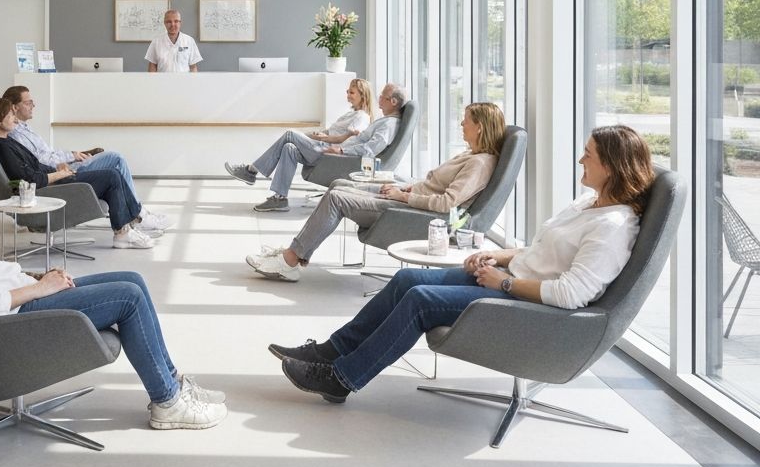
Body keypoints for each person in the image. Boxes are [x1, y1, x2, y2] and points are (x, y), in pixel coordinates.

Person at [271, 125, 654, 404]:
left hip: (530, 304)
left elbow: (571, 294)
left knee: (420, 300)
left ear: (611, 166)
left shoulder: (613, 226)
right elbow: (542, 251)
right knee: (406, 279)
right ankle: (331, 351)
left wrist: (503, 283)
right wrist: (498, 257)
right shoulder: (588, 204)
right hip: (510, 278)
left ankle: (341, 378)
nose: (581, 159)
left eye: (589, 154)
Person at [0, 123, 226, 429]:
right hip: (7, 319)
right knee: (129, 298)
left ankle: (173, 382)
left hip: (21, 295)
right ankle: (167, 402)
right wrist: (39, 289)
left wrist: (36, 275)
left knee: (133, 279)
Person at [246, 102, 506, 281]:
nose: (461, 123)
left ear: (480, 127)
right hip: (409, 199)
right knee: (339, 185)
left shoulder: (480, 164)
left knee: (336, 198)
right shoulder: (470, 155)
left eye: (466, 120)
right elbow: (435, 186)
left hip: (414, 212)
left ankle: (290, 261)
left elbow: (447, 203)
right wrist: (406, 187)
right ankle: (297, 252)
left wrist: (404, 196)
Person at [0, 97, 156, 249]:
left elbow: (35, 167)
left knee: (112, 175)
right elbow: (30, 179)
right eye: (10, 115)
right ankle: (125, 229)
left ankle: (125, 229)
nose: (15, 119)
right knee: (111, 176)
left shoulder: (8, 142)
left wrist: (58, 169)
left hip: (53, 181)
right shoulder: (4, 148)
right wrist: (60, 175)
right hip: (49, 189)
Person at [1, 85, 171, 235]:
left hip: (62, 167)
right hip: (60, 173)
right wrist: (71, 158)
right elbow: (42, 161)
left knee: (114, 162)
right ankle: (139, 215)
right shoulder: (16, 135)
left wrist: (73, 154)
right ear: (15, 107)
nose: (33, 105)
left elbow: (47, 154)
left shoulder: (24, 129)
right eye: (28, 102)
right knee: (115, 159)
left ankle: (134, 215)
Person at [225, 83, 407, 213]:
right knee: (289, 148)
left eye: (382, 96)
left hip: (336, 156)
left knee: (289, 134)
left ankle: (251, 171)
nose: (378, 98)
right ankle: (279, 198)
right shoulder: (384, 121)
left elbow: (370, 150)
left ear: (393, 102)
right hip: (332, 151)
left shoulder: (388, 124)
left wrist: (341, 150)